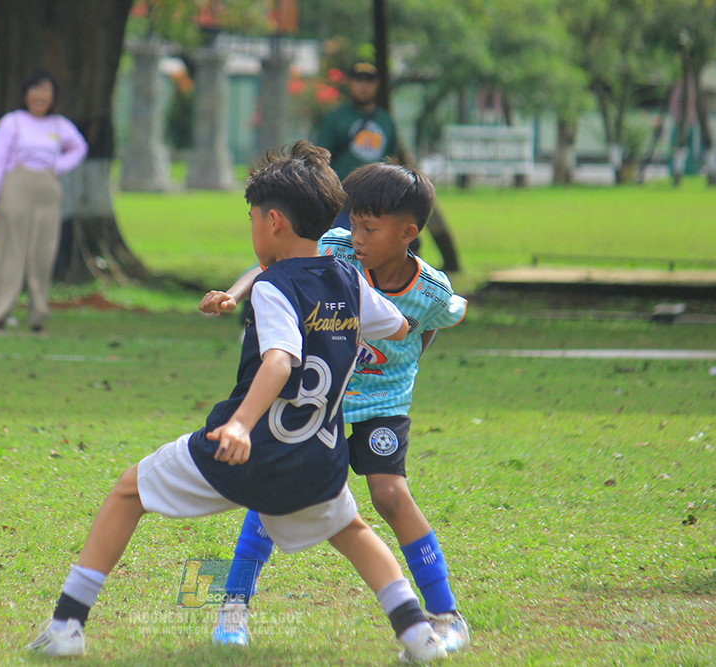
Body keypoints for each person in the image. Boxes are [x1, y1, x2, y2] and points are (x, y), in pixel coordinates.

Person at [26, 142, 452, 664]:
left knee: (127, 492)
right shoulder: (347, 278)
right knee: (352, 530)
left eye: (251, 219)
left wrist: (241, 425)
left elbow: (278, 361)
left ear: (273, 223)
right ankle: (417, 635)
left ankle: (67, 623)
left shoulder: (273, 287)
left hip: (250, 449)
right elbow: (401, 324)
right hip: (317, 459)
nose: (252, 229)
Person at [200, 162, 470, 659]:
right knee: (274, 487)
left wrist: (405, 366)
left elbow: (444, 316)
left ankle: (447, 613)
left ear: (407, 233)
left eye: (370, 227)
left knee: (389, 495)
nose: (357, 236)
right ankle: (232, 607)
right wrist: (232, 295)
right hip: (318, 401)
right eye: (355, 222)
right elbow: (271, 267)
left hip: (382, 404)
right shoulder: (337, 248)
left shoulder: (431, 290)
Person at [0, 70, 87, 332]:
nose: (40, 96)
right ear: (25, 94)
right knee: (10, 250)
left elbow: (79, 147)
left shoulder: (59, 125)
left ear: (53, 97)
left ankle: (38, 314)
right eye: (35, 90)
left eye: (46, 91)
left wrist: (57, 166)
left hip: (47, 192)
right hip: (16, 186)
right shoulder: (12, 122)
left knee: (43, 252)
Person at [316, 62, 398, 231]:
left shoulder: (386, 121)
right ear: (350, 83)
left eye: (369, 81)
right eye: (359, 81)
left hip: (375, 204)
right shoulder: (336, 118)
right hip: (341, 204)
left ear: (377, 85)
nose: (364, 86)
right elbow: (318, 161)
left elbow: (393, 161)